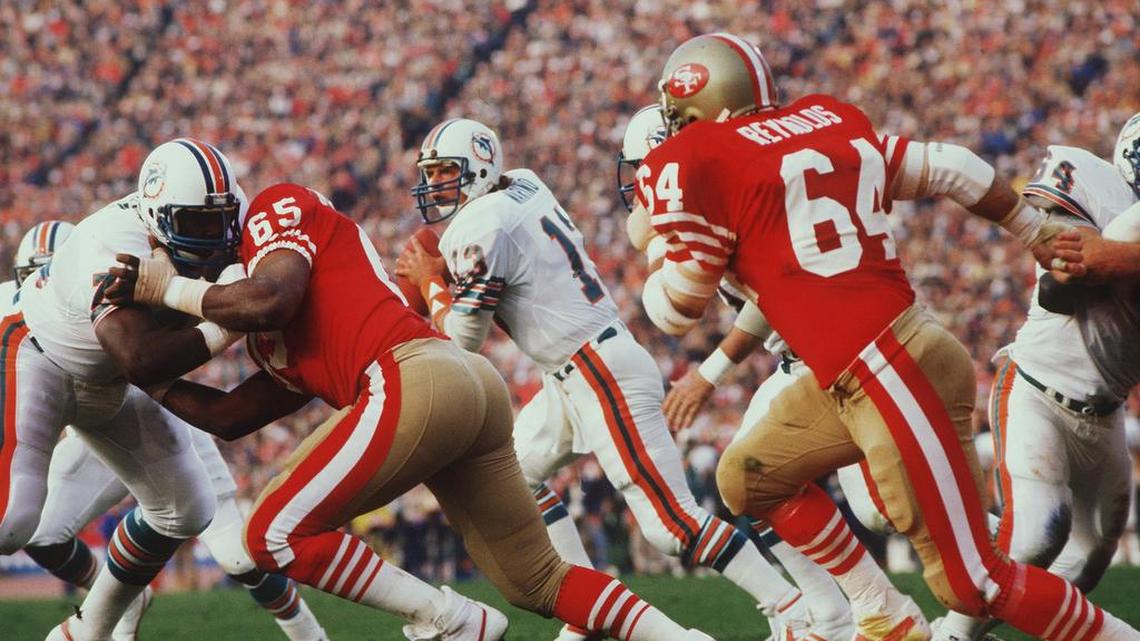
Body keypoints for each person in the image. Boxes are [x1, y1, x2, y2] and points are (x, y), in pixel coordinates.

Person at [631, 31, 1139, 641]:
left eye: (679, 117)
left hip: (888, 365)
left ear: (700, 107)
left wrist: (660, 247)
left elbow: (675, 310)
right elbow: (952, 167)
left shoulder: (703, 160)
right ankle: (886, 612)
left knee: (974, 582)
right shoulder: (826, 121)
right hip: (860, 367)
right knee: (746, 477)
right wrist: (1029, 228)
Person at [106, 180, 718, 641]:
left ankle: (449, 620)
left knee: (270, 534)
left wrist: (167, 290)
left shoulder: (274, 211)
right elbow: (230, 416)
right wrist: (145, 377)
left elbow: (269, 297)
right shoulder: (270, 339)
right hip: (463, 384)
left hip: (413, 375)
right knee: (538, 582)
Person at [397, 117, 821, 641]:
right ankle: (588, 609)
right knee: (517, 473)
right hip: (571, 373)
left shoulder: (482, 224)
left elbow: (463, 338)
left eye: (445, 173)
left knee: (671, 525)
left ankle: (794, 611)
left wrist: (432, 283)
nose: (435, 186)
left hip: (598, 370)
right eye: (431, 174)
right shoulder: (523, 182)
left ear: (481, 169)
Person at [0, 139, 250, 641]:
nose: (214, 235)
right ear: (157, 214)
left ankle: (85, 630)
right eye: (195, 224)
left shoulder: (230, 213)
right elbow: (138, 358)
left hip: (105, 381)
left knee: (188, 508)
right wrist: (226, 325)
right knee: (12, 522)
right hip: (37, 355)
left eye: (219, 220)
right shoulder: (111, 242)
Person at [932, 114, 1140, 641]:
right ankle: (951, 637)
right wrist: (1091, 264)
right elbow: (1056, 289)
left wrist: (1113, 261)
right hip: (1038, 391)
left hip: (1106, 410)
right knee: (1035, 537)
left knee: (1089, 559)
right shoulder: (1113, 206)